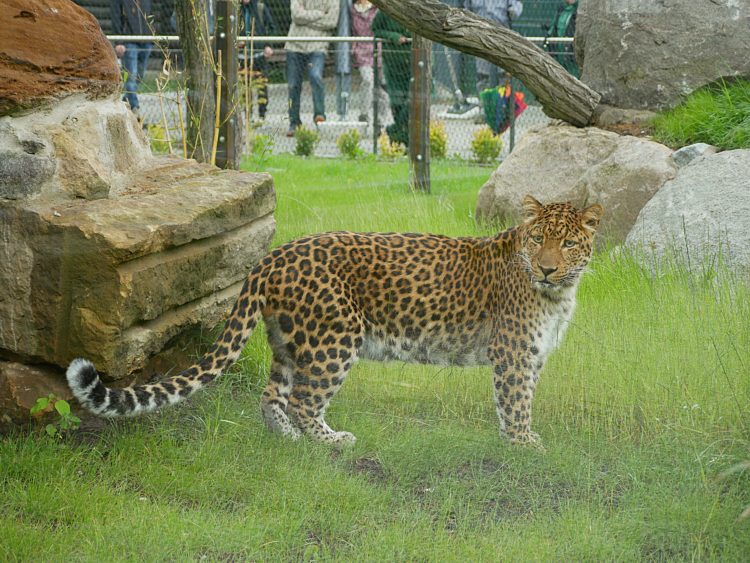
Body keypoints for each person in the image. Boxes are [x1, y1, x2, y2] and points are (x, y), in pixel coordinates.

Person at [284, 0, 340, 137]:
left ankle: (319, 116)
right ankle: (294, 122)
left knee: (315, 76)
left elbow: (332, 22)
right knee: (293, 85)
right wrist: (319, 14)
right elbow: (296, 16)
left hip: (317, 46)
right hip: (295, 46)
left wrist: (305, 18)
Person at [465, 0, 523, 92]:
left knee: (504, 72)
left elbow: (516, 6)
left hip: (501, 33)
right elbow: (466, 9)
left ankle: (503, 102)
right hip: (480, 33)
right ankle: (485, 102)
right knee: (482, 74)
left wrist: (513, 10)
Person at [372, 10, 411, 147]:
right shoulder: (387, 9)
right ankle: (404, 144)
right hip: (393, 66)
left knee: (412, 104)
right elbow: (375, 29)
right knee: (397, 105)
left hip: (414, 65)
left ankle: (393, 131)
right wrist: (393, 36)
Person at [111, 0, 155, 120]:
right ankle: (135, 108)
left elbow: (153, 15)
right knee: (131, 76)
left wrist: (152, 38)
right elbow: (116, 18)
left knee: (139, 76)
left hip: (146, 42)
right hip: (129, 42)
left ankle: (125, 101)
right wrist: (119, 42)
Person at [350, 0, 389, 125]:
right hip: (361, 52)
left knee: (381, 87)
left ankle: (380, 120)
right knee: (368, 80)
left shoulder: (378, 9)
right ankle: (364, 114)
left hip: (378, 51)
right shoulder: (352, 10)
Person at [239, 0, 278, 123]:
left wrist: (268, 45)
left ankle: (262, 115)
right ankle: (247, 115)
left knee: (261, 85)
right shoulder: (235, 9)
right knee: (245, 87)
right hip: (241, 56)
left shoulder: (260, 8)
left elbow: (272, 28)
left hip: (259, 55)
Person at [545, 0, 579, 78]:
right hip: (559, 54)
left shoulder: (580, 10)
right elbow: (552, 30)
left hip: (572, 57)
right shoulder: (561, 9)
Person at [335, 0, 353, 120]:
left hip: (361, 46)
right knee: (341, 75)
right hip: (340, 47)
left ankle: (345, 111)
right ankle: (341, 112)